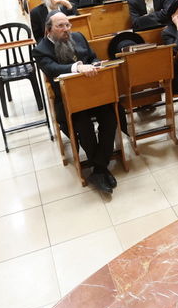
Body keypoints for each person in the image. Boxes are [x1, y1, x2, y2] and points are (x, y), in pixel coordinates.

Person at [33, 12, 118, 195]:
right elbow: (52, 69)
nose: (66, 30)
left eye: (68, 25)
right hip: (68, 101)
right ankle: (101, 168)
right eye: (60, 26)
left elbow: (92, 56)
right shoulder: (41, 49)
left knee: (111, 118)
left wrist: (96, 64)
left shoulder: (78, 37)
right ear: (49, 29)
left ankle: (99, 169)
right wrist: (77, 68)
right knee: (84, 126)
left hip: (93, 93)